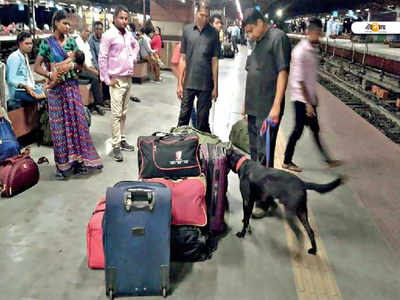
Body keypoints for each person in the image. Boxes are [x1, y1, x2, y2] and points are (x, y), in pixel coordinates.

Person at [33, 10, 103, 179]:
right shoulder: (47, 43)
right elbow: (37, 67)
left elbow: (80, 64)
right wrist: (50, 74)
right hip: (56, 92)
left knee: (77, 125)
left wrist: (78, 67)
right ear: (56, 23)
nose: (67, 27)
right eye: (64, 23)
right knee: (59, 129)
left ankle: (78, 162)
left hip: (71, 88)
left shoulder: (71, 42)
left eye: (69, 24)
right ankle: (62, 167)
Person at [242, 8, 291, 219]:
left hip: (267, 110)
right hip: (253, 108)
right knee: (255, 155)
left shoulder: (277, 38)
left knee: (264, 156)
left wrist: (276, 106)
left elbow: (283, 72)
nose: (249, 35)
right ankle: (259, 193)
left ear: (261, 23)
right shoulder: (258, 43)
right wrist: (245, 104)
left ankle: (266, 201)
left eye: (251, 30)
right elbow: (251, 74)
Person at [283, 18, 341, 172]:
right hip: (301, 99)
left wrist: (314, 97)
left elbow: (309, 77)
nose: (320, 35)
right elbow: (300, 80)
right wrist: (309, 103)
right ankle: (286, 161)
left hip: (308, 97)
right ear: (309, 32)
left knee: (315, 129)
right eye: (318, 33)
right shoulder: (301, 52)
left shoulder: (312, 49)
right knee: (298, 130)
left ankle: (327, 159)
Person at [99, 5, 140, 162]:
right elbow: (102, 58)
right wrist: (106, 79)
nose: (124, 21)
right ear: (114, 18)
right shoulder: (108, 35)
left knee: (124, 112)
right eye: (121, 18)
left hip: (128, 78)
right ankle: (115, 145)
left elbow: (135, 45)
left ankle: (121, 139)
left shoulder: (128, 33)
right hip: (116, 79)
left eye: (126, 18)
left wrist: (133, 58)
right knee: (116, 114)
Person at [177, 1, 219, 133]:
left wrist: (216, 87)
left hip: (206, 85)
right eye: (202, 15)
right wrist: (179, 84)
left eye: (207, 16)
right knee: (183, 118)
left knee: (202, 121)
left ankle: (201, 150)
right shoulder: (187, 31)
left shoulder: (214, 34)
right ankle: (179, 146)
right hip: (189, 83)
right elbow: (182, 59)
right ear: (196, 14)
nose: (204, 18)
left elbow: (215, 61)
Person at [6, 32, 45, 111]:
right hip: (18, 92)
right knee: (46, 94)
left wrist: (37, 81)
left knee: (47, 88)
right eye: (27, 43)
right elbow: (10, 80)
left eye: (31, 43)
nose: (30, 46)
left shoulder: (24, 55)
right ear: (20, 44)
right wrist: (25, 86)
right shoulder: (15, 57)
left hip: (27, 89)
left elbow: (24, 77)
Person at [75, 24, 105, 115]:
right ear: (81, 32)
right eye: (86, 31)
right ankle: (98, 104)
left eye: (89, 31)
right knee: (95, 78)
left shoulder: (86, 43)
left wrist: (95, 68)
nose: (88, 33)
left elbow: (90, 59)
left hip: (88, 68)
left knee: (101, 75)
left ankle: (96, 102)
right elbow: (81, 62)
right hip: (80, 69)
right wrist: (92, 70)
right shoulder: (77, 43)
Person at [170, 42, 197, 129]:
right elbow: (174, 65)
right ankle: (194, 127)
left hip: (197, 81)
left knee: (190, 107)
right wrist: (180, 81)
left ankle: (194, 127)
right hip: (186, 83)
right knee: (188, 107)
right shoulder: (180, 46)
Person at [88, 21, 111, 109]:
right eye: (97, 29)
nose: (99, 31)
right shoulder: (91, 40)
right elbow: (93, 57)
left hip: (105, 63)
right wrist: (100, 68)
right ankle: (105, 99)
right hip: (96, 65)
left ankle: (111, 97)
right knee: (103, 75)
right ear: (94, 30)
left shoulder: (104, 39)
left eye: (100, 29)